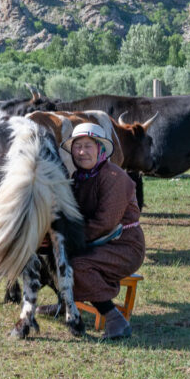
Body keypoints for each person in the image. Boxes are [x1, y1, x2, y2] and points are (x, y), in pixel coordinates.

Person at [41, 122, 145, 339]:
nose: (81, 152)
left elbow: (104, 223)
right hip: (95, 241)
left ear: (101, 149)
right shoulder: (79, 179)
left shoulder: (116, 178)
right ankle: (64, 304)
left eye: (88, 146)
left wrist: (66, 242)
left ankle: (115, 319)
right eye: (77, 147)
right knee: (46, 256)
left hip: (122, 245)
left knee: (77, 266)